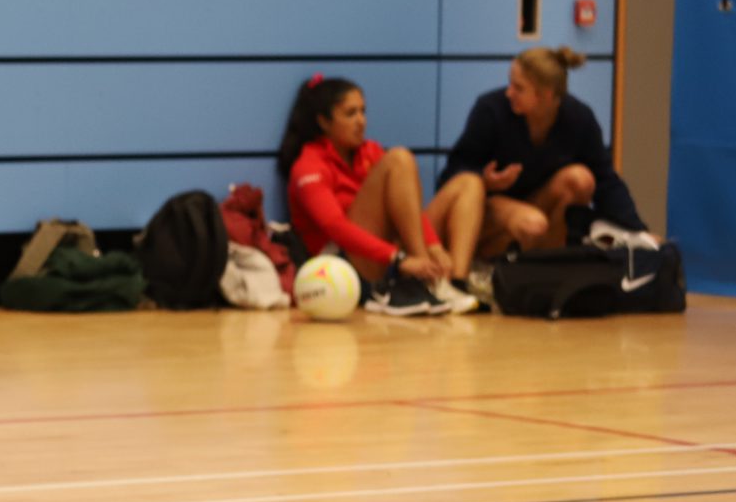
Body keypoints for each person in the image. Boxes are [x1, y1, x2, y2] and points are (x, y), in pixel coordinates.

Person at [439, 45, 652, 275]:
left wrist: (638, 232)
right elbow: (452, 175)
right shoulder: (491, 110)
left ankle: (548, 268)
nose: (509, 92)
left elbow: (606, 181)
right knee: (532, 223)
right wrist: (485, 181)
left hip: (538, 208)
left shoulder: (579, 118)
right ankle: (483, 268)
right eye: (510, 83)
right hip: (491, 211)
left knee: (580, 180)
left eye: (518, 88)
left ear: (545, 95)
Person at [278, 75, 479, 316]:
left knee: (469, 183)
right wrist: (398, 258)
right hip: (345, 264)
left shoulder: (369, 151)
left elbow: (408, 208)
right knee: (398, 158)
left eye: (363, 112)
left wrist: (434, 247)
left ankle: (454, 283)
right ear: (323, 121)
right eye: (350, 114)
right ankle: (425, 280)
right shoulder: (309, 165)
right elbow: (335, 227)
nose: (361, 121)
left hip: (390, 251)